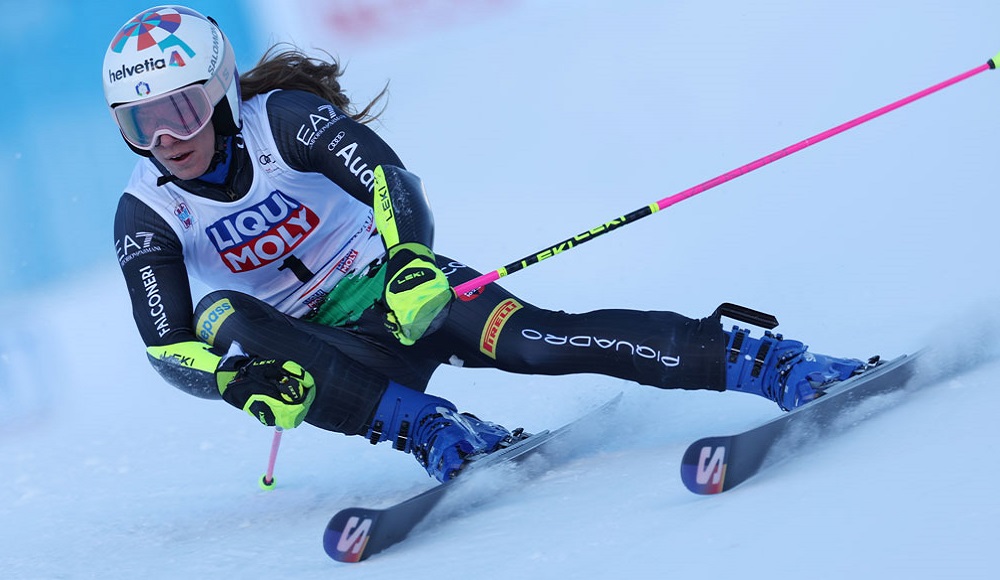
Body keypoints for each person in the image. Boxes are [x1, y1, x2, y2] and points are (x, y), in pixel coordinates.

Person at [105, 6, 867, 483]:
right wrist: (237, 384)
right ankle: (434, 428)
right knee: (221, 321)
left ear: (222, 92)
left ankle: (766, 360)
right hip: (319, 343)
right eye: (141, 123)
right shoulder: (147, 212)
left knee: (539, 342)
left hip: (401, 293)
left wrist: (409, 261)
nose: (168, 139)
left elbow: (388, 180)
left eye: (182, 109)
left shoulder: (283, 119)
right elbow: (167, 349)